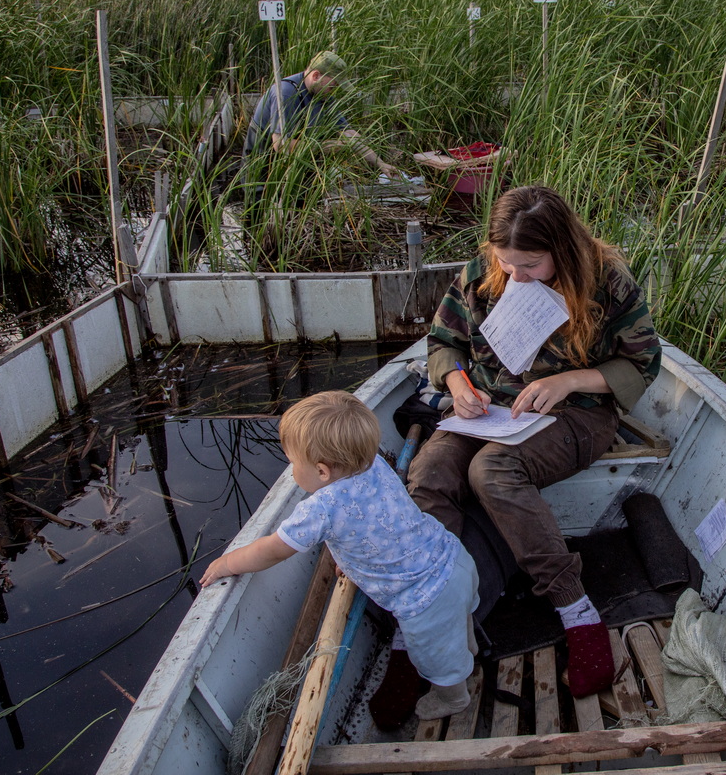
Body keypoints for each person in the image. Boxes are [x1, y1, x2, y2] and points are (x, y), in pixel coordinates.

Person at [406, 185, 662, 698]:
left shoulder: (608, 281)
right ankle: (431, 613)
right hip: (489, 410)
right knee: (428, 474)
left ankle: (576, 610)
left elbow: (642, 363)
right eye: (506, 262)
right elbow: (444, 343)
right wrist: (459, 384)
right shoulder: (481, 274)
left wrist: (568, 380)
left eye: (530, 265)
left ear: (562, 250)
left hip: (577, 412)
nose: (515, 276)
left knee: (491, 471)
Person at [200, 390, 479, 721]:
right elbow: (373, 526)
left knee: (437, 658)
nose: (292, 470)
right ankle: (468, 652)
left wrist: (227, 563)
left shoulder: (320, 508)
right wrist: (349, 562)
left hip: (426, 598)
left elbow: (273, 550)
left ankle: (454, 697)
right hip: (453, 558)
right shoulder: (373, 463)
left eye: (293, 463)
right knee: (459, 620)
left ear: (322, 471)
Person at [241, 51, 403, 245]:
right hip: (262, 167)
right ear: (316, 75)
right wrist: (328, 147)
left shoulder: (323, 96)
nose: (335, 91)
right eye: (333, 85)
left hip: (295, 167)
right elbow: (281, 145)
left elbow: (349, 134)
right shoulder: (285, 93)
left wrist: (380, 164)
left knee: (296, 217)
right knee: (259, 225)